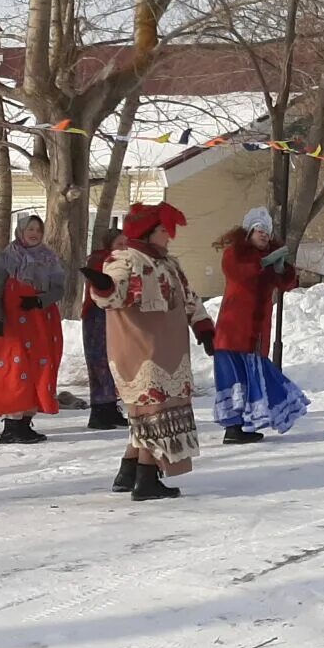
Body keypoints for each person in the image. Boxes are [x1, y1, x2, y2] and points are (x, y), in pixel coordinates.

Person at [85, 202, 215, 500]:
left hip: (169, 350)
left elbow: (189, 297)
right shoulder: (125, 259)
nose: (169, 236)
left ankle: (129, 471)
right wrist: (102, 287)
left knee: (150, 413)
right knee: (151, 412)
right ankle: (146, 478)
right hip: (140, 349)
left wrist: (204, 327)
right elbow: (113, 293)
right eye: (163, 230)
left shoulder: (168, 263)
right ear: (148, 232)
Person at [211, 207, 312, 445]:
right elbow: (242, 274)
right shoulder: (235, 254)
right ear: (248, 233)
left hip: (255, 335)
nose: (264, 234)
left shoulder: (270, 259)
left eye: (266, 231)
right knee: (235, 380)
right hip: (233, 332)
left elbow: (287, 282)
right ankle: (233, 428)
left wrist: (281, 268)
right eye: (259, 230)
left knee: (253, 378)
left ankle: (242, 426)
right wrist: (265, 264)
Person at [0, 213, 66, 445]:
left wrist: (40, 301)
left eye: (38, 230)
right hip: (13, 325)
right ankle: (11, 425)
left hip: (41, 322)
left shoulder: (49, 259)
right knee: (15, 368)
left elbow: (58, 288)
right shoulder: (7, 259)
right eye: (30, 229)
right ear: (20, 231)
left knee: (40, 370)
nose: (34, 234)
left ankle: (24, 423)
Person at [81, 226, 127, 430]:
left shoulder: (127, 261)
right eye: (119, 244)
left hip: (116, 315)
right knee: (99, 361)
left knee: (115, 362)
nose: (123, 248)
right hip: (98, 315)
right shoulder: (99, 260)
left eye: (126, 244)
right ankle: (99, 410)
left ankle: (110, 407)